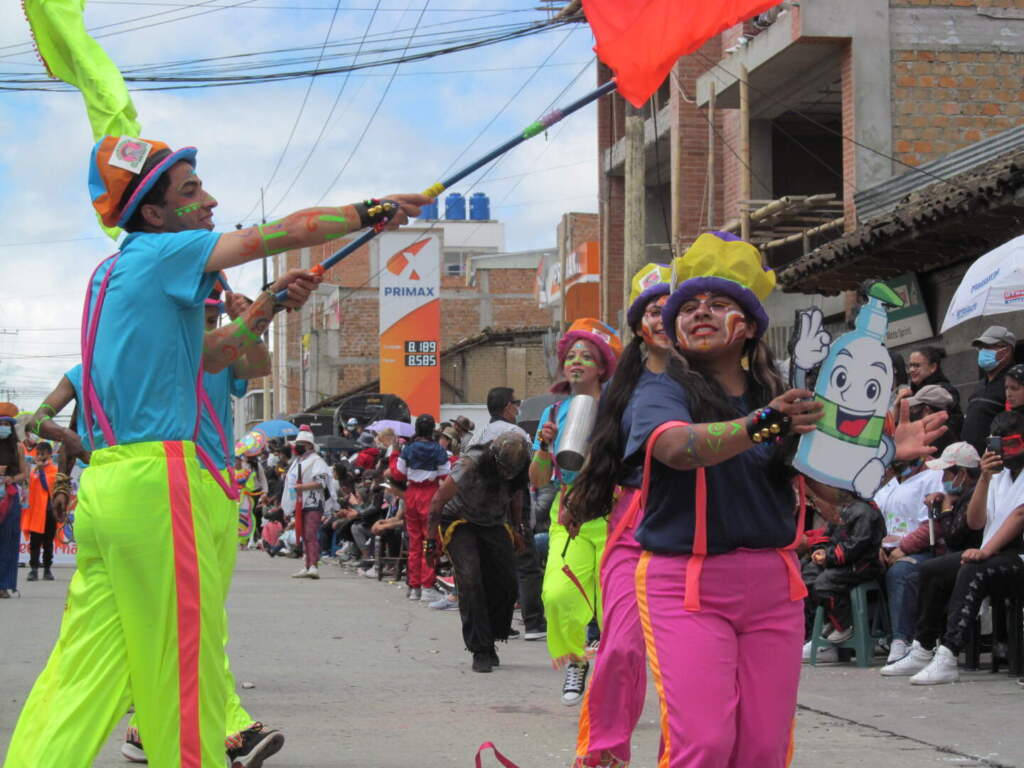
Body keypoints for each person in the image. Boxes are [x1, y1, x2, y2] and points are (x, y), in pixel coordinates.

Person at [4, 133, 427, 768]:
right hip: (160, 482)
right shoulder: (163, 253)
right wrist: (369, 212)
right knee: (183, 671)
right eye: (191, 190)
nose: (210, 202)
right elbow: (275, 234)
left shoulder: (110, 275)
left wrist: (267, 306)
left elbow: (212, 356)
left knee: (83, 670)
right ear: (153, 213)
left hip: (112, 488)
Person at [563, 263, 672, 766]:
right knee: (622, 647)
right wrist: (581, 495)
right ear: (638, 323)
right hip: (633, 522)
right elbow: (602, 453)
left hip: (703, 526)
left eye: (675, 307)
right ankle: (604, 755)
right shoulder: (623, 390)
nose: (665, 318)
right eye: (655, 309)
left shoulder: (715, 379)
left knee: (685, 668)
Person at [887, 409, 1024, 684]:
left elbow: (1019, 514)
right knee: (932, 570)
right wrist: (984, 478)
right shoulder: (996, 476)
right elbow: (976, 522)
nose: (1005, 452)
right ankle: (923, 647)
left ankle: (949, 654)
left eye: (1011, 445)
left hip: (1016, 555)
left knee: (973, 569)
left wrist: (986, 551)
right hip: (993, 550)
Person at [531, 317, 622, 705]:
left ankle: (612, 677)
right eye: (570, 356)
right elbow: (538, 479)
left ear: (602, 367)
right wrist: (543, 446)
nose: (576, 362)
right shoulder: (553, 414)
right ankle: (575, 659)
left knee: (613, 605)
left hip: (616, 512)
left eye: (586, 356)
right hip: (570, 515)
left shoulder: (620, 410)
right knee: (556, 594)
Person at [427, 432, 531, 672]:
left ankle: (491, 636)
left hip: (493, 522)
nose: (507, 476)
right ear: (493, 459)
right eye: (504, 470)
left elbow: (516, 496)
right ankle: (480, 649)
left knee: (507, 581)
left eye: (512, 472)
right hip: (459, 521)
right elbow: (437, 501)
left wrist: (517, 529)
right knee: (471, 579)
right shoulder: (470, 464)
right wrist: (430, 542)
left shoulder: (519, 470)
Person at [880, 441, 981, 673]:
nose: (943, 478)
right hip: (948, 555)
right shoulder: (956, 495)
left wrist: (945, 508)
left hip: (969, 554)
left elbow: (954, 534)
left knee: (922, 570)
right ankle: (913, 643)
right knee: (924, 569)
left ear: (962, 474)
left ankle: (918, 645)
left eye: (948, 473)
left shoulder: (974, 495)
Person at [800, 480, 886, 662]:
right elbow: (829, 536)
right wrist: (820, 550)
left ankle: (843, 626)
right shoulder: (844, 509)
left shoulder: (864, 512)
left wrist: (829, 556)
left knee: (825, 583)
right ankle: (825, 627)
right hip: (842, 562)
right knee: (807, 573)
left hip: (861, 565)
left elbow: (856, 547)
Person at [393, 414, 450, 602]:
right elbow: (446, 475)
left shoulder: (407, 449)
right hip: (430, 494)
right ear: (432, 429)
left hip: (411, 494)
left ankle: (414, 587)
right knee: (430, 540)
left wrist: (394, 454)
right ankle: (427, 586)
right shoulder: (438, 450)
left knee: (414, 542)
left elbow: (398, 474)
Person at [285, 427, 332, 579]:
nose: (298, 446)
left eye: (302, 443)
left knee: (310, 534)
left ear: (310, 445)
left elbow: (322, 482)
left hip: (313, 501)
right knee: (304, 534)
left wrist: (302, 487)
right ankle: (307, 565)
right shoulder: (298, 462)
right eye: (298, 443)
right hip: (300, 502)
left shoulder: (317, 461)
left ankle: (313, 566)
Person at [962, 325, 1017, 453]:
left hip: (996, 458)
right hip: (973, 459)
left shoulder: (1015, 382)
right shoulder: (981, 384)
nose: (983, 351)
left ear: (1006, 350)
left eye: (989, 347)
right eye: (981, 347)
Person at [0, 403, 28, 599]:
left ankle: (3, 585)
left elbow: (24, 473)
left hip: (9, 498)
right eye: (0, 424)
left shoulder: (18, 447)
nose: (3, 427)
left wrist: (11, 478)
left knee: (8, 541)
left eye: (6, 424)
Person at [22, 441, 58, 582]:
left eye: (42, 454)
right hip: (36, 513)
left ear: (49, 454)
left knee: (48, 542)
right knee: (35, 542)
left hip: (49, 512)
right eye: (38, 454)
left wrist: (42, 470)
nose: (40, 457)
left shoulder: (54, 470)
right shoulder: (34, 472)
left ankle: (47, 569)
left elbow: (47, 486)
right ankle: (34, 570)